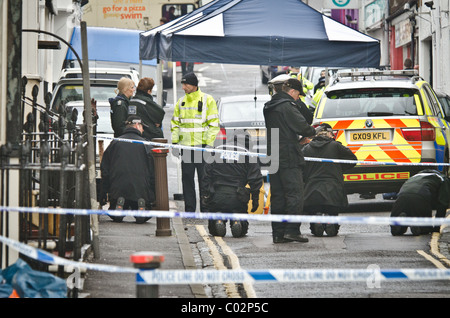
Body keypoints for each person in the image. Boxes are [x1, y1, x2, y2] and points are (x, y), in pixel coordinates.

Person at [263, 78, 316, 243]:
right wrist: (313, 132)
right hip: (289, 156)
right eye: (297, 95)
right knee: (295, 194)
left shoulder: (269, 106)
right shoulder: (287, 107)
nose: (297, 98)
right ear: (293, 92)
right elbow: (305, 127)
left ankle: (278, 233)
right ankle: (292, 230)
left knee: (278, 195)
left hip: (274, 155)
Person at [171, 72, 220, 212]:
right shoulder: (181, 102)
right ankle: (190, 210)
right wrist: (175, 143)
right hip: (186, 147)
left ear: (194, 85)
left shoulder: (207, 100)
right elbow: (175, 123)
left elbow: (214, 124)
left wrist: (208, 144)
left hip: (202, 147)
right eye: (183, 84)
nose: (183, 87)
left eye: (186, 84)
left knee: (205, 180)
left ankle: (205, 209)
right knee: (187, 179)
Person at [201, 134, 263, 237]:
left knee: (214, 232)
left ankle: (219, 218)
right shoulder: (248, 154)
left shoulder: (218, 150)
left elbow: (206, 175)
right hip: (238, 197)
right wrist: (255, 200)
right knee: (242, 230)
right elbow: (255, 179)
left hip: (217, 195)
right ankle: (236, 219)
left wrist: (205, 196)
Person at [302, 123, 357, 236]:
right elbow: (352, 159)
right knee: (332, 209)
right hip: (333, 189)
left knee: (314, 209)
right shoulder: (336, 146)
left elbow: (300, 166)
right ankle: (330, 220)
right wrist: (338, 168)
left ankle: (316, 219)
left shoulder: (306, 149)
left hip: (312, 190)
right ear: (329, 134)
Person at [100, 115, 156, 224]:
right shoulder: (146, 145)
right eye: (142, 127)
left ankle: (119, 205)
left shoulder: (115, 143)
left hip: (117, 189)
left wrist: (103, 193)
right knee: (144, 212)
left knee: (115, 209)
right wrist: (152, 197)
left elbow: (105, 170)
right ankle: (141, 205)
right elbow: (153, 174)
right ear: (136, 125)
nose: (143, 130)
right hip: (140, 190)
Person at [390, 169, 450, 236]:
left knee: (396, 232)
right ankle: (417, 223)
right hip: (420, 197)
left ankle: (402, 221)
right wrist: (436, 228)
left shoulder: (415, 176)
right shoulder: (443, 179)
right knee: (426, 230)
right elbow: (442, 204)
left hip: (401, 197)